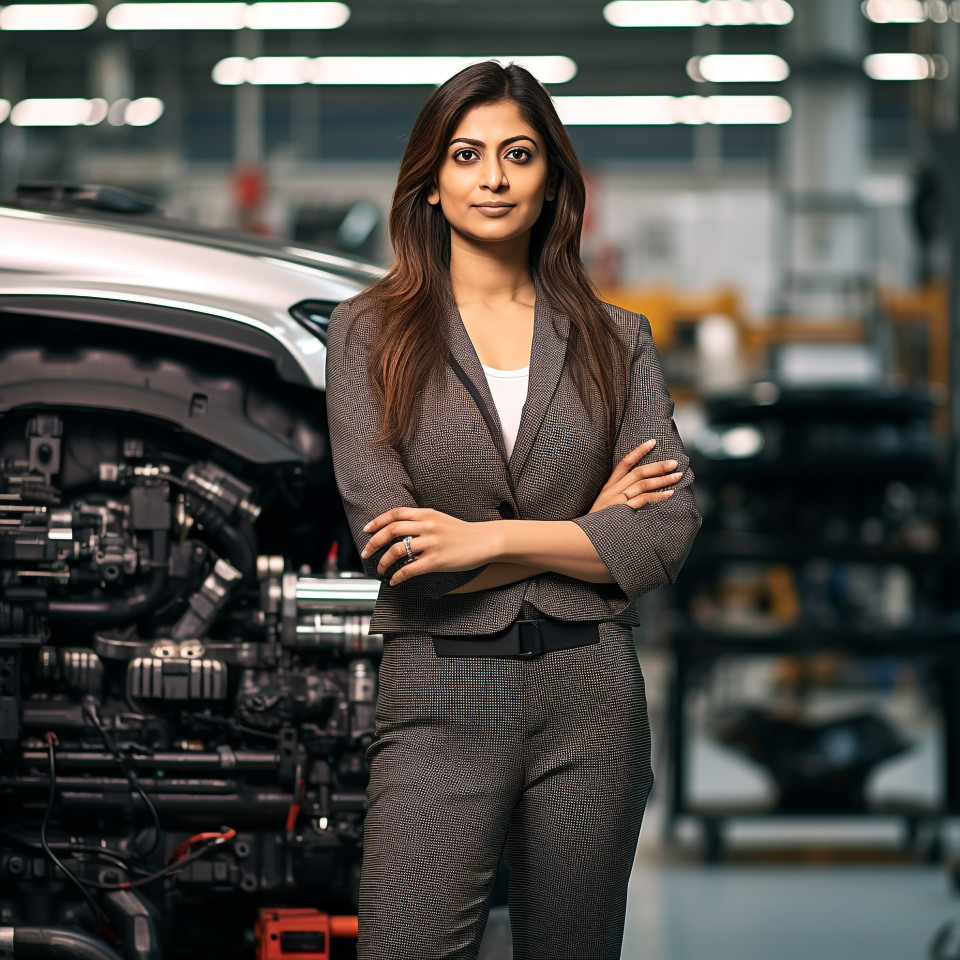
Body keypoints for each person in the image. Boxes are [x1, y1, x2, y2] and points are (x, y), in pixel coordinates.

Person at [325, 60, 701, 960]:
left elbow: (667, 529)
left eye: (518, 154)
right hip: (438, 690)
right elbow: (399, 547)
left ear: (551, 181)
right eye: (466, 154)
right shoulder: (367, 333)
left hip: (591, 696)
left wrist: (485, 538)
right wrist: (587, 532)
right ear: (432, 180)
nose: (492, 177)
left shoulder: (617, 338)